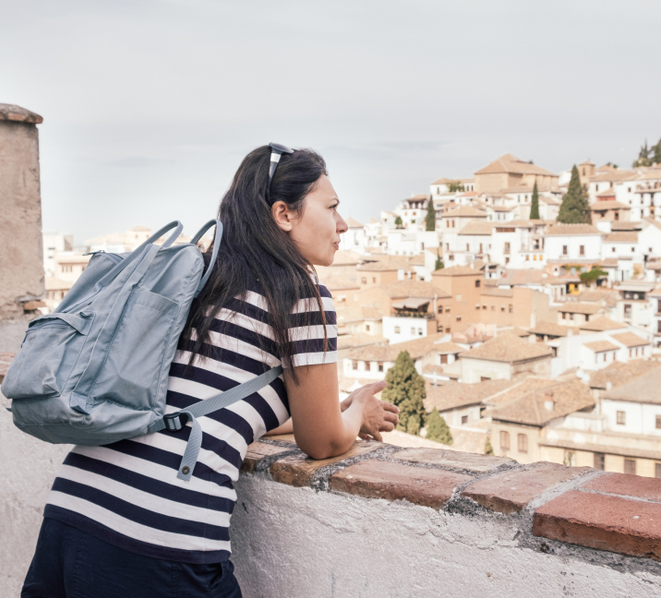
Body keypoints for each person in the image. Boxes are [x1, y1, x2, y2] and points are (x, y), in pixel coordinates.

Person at [21, 144, 399, 597]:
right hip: (159, 535)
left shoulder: (204, 277)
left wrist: (331, 408)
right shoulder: (300, 295)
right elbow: (323, 442)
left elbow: (223, 410)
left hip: (73, 509)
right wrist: (357, 410)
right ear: (284, 213)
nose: (342, 224)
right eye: (332, 207)